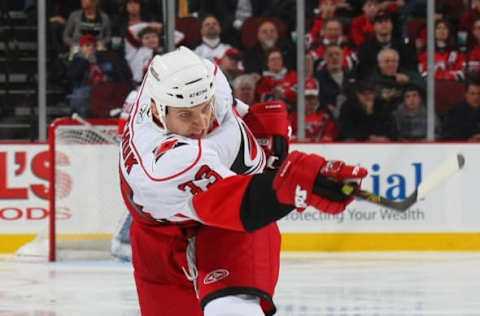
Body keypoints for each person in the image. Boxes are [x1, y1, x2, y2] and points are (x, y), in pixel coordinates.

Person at [119, 46, 368, 315]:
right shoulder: (162, 164)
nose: (201, 123)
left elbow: (232, 110)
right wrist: (296, 184)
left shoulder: (201, 77)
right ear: (157, 111)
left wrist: (260, 128)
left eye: (205, 109)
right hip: (162, 240)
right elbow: (242, 203)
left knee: (232, 309)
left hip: (229, 229)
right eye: (185, 115)